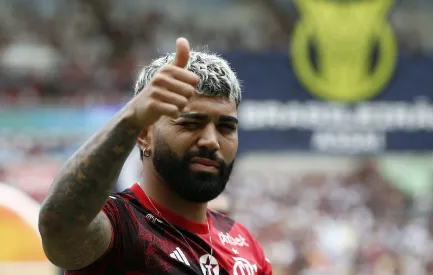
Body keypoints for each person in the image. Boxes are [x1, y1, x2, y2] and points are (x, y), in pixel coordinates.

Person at [38, 37, 272, 275]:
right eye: (191, 124)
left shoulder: (243, 243)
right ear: (144, 135)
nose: (211, 141)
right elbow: (58, 228)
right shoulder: (119, 227)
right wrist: (130, 118)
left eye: (226, 128)